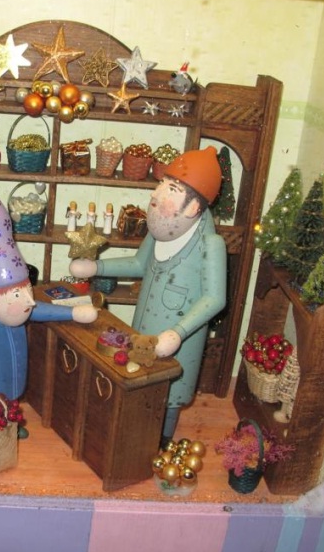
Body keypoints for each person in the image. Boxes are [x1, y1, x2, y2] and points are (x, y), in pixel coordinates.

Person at [70, 147, 227, 445]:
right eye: (162, 183)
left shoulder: (211, 244)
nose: (157, 193)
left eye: (172, 189)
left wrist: (178, 333)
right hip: (144, 329)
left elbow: (215, 298)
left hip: (178, 338)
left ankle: (163, 440)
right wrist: (97, 267)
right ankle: (133, 432)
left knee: (170, 395)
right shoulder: (161, 228)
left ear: (193, 207)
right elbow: (139, 264)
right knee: (139, 380)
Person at [0, 171, 98, 433]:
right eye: (19, 296)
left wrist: (73, 313)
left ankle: (9, 419)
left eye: (27, 291)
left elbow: (37, 309)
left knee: (10, 394)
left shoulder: (17, 307)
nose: (29, 302)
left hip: (12, 370)